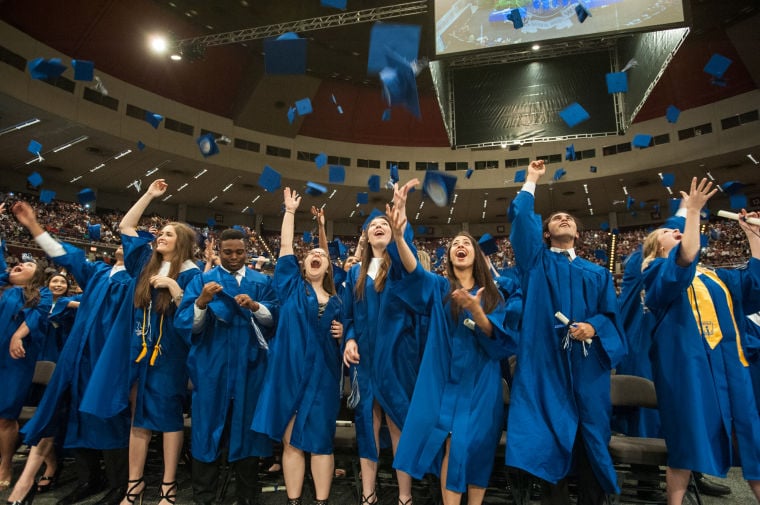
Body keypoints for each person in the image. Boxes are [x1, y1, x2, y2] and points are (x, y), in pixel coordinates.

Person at [505, 159, 626, 505]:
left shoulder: (598, 273)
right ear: (545, 234)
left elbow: (612, 318)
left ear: (577, 233)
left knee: (590, 440)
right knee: (547, 438)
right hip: (545, 364)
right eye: (555, 218)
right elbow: (522, 224)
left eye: (569, 219)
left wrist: (594, 327)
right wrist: (531, 179)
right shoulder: (535, 263)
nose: (564, 219)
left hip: (586, 369)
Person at [386, 191, 515, 505]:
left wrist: (477, 310)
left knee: (478, 447)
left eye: (467, 243)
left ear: (477, 256)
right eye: (455, 243)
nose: (460, 245)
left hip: (481, 382)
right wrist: (400, 236)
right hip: (443, 379)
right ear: (449, 255)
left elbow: (500, 341)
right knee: (451, 445)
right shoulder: (438, 287)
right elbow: (413, 271)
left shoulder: (493, 296)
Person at [640, 177, 760, 504]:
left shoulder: (717, 276)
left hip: (731, 366)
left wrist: (754, 238)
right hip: (688, 370)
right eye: (666, 232)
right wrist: (691, 212)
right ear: (654, 248)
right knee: (687, 441)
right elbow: (685, 258)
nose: (674, 231)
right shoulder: (655, 275)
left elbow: (756, 287)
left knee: (753, 440)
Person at [13, 201, 132, 505]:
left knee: (108, 415)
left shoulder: (135, 280)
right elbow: (64, 254)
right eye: (121, 241)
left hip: (108, 357)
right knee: (76, 413)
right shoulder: (97, 272)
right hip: (78, 353)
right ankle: (89, 478)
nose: (123, 245)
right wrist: (33, 226)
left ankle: (120, 484)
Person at [252, 187, 344, 505]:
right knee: (291, 440)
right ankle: (293, 500)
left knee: (320, 441)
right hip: (289, 372)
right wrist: (289, 212)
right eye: (311, 256)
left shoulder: (338, 303)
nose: (316, 256)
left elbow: (353, 336)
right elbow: (288, 247)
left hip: (324, 377)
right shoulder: (291, 287)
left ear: (329, 267)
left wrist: (345, 332)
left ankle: (320, 501)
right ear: (302, 268)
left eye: (321, 255)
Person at [175, 227, 278, 505]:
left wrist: (256, 306)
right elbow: (189, 326)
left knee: (246, 427)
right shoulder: (203, 281)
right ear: (218, 251)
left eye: (240, 252)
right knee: (207, 427)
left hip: (250, 367)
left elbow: (274, 321)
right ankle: (204, 496)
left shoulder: (261, 281)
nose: (234, 257)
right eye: (228, 252)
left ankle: (245, 495)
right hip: (212, 366)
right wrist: (201, 302)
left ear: (248, 251)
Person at [341, 182, 421, 505]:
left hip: (396, 358)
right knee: (366, 425)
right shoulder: (354, 276)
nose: (378, 227)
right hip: (364, 360)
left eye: (383, 224)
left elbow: (407, 248)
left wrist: (399, 208)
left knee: (397, 422)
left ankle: (405, 496)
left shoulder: (401, 268)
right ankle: (368, 494)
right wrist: (348, 339)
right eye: (372, 225)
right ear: (365, 236)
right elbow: (347, 316)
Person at [6, 272, 80, 504]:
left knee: (49, 416)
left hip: (58, 362)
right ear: (46, 285)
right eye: (54, 281)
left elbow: (88, 302)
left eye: (62, 282)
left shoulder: (68, 304)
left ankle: (50, 466)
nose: (58, 284)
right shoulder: (35, 303)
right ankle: (42, 462)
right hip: (31, 359)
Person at [0, 202, 48, 493]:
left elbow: (39, 316)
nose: (21, 265)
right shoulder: (5, 288)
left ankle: (5, 464)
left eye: (30, 264)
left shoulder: (38, 294)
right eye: (19, 263)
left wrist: (19, 333)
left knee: (5, 415)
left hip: (14, 361)